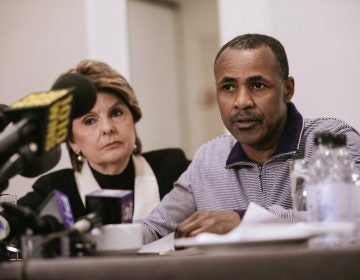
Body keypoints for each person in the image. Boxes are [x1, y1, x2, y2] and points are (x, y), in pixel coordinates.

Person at [137, 33, 360, 243]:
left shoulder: (332, 143)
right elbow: (154, 227)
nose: (242, 101)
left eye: (257, 85)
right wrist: (107, 233)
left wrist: (244, 220)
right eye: (228, 87)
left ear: (287, 90)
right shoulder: (209, 159)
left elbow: (349, 220)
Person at [17, 59, 191, 221]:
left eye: (116, 113)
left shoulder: (173, 169)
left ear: (133, 120)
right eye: (89, 121)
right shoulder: (54, 190)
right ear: (72, 141)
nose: (107, 128)